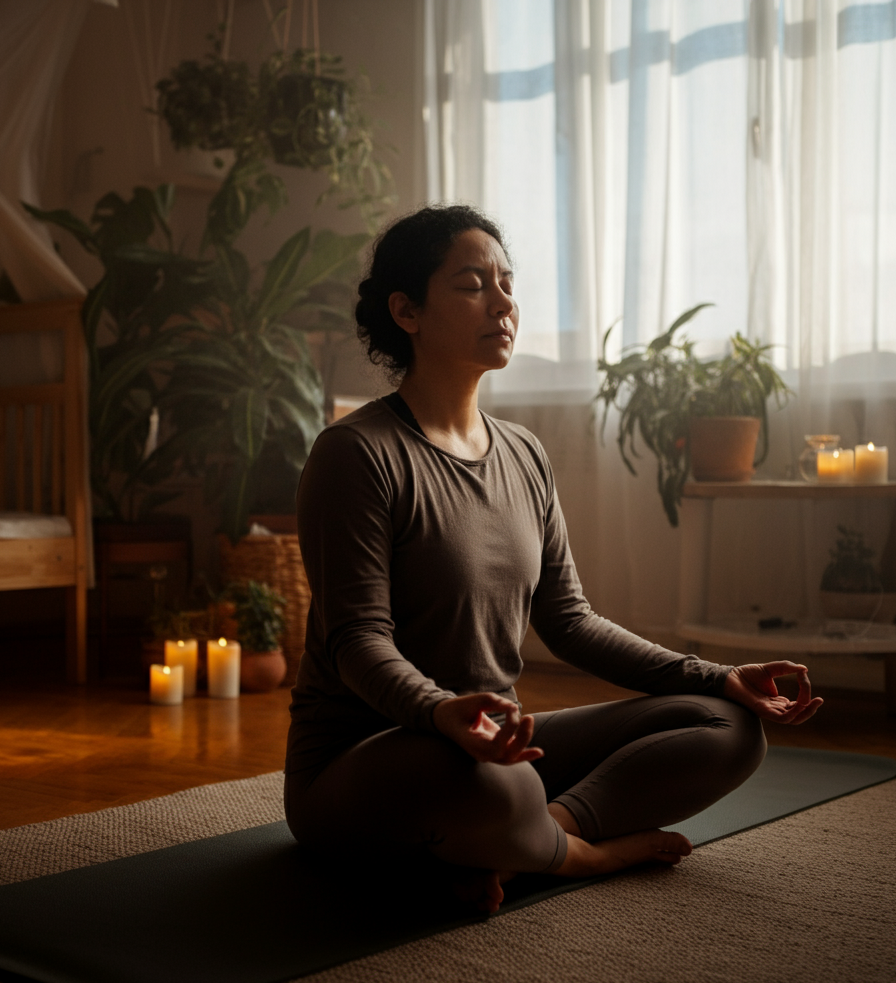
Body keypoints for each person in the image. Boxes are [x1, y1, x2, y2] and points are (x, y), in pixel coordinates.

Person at [284, 204, 822, 913]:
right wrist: (442, 712)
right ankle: (570, 854)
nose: (503, 301)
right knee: (497, 784)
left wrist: (722, 676)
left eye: (507, 282)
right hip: (370, 760)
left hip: (497, 746)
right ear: (407, 311)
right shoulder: (356, 454)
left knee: (726, 727)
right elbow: (357, 641)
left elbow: (569, 620)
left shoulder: (525, 454)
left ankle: (525, 843)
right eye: (473, 284)